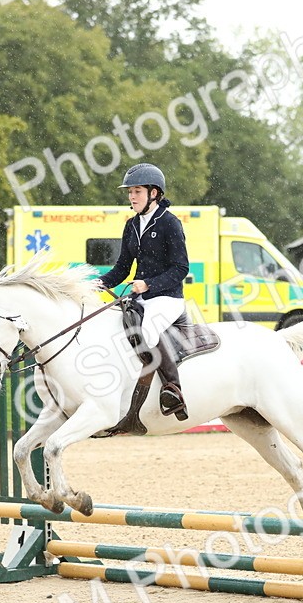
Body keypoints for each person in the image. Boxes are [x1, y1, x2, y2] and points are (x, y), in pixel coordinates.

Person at [97, 163, 191, 420]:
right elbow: (122, 268)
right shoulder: (132, 225)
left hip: (168, 298)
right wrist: (100, 283)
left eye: (136, 191)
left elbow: (181, 268)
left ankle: (173, 389)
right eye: (130, 192)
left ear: (154, 193)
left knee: (147, 331)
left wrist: (149, 284)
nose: (131, 197)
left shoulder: (170, 223)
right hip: (140, 296)